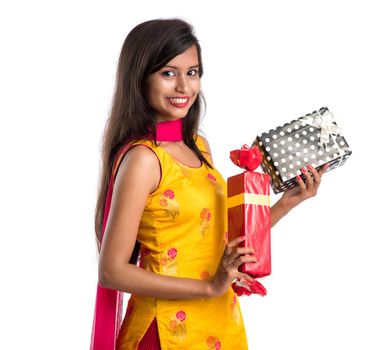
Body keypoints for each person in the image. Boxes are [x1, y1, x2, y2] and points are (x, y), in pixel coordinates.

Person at [94, 18, 329, 350]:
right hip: (167, 332)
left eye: (192, 72)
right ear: (139, 78)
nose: (184, 87)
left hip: (220, 323)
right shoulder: (143, 160)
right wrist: (209, 287)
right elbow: (112, 272)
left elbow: (219, 242)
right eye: (168, 73)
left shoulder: (198, 147)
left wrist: (287, 202)